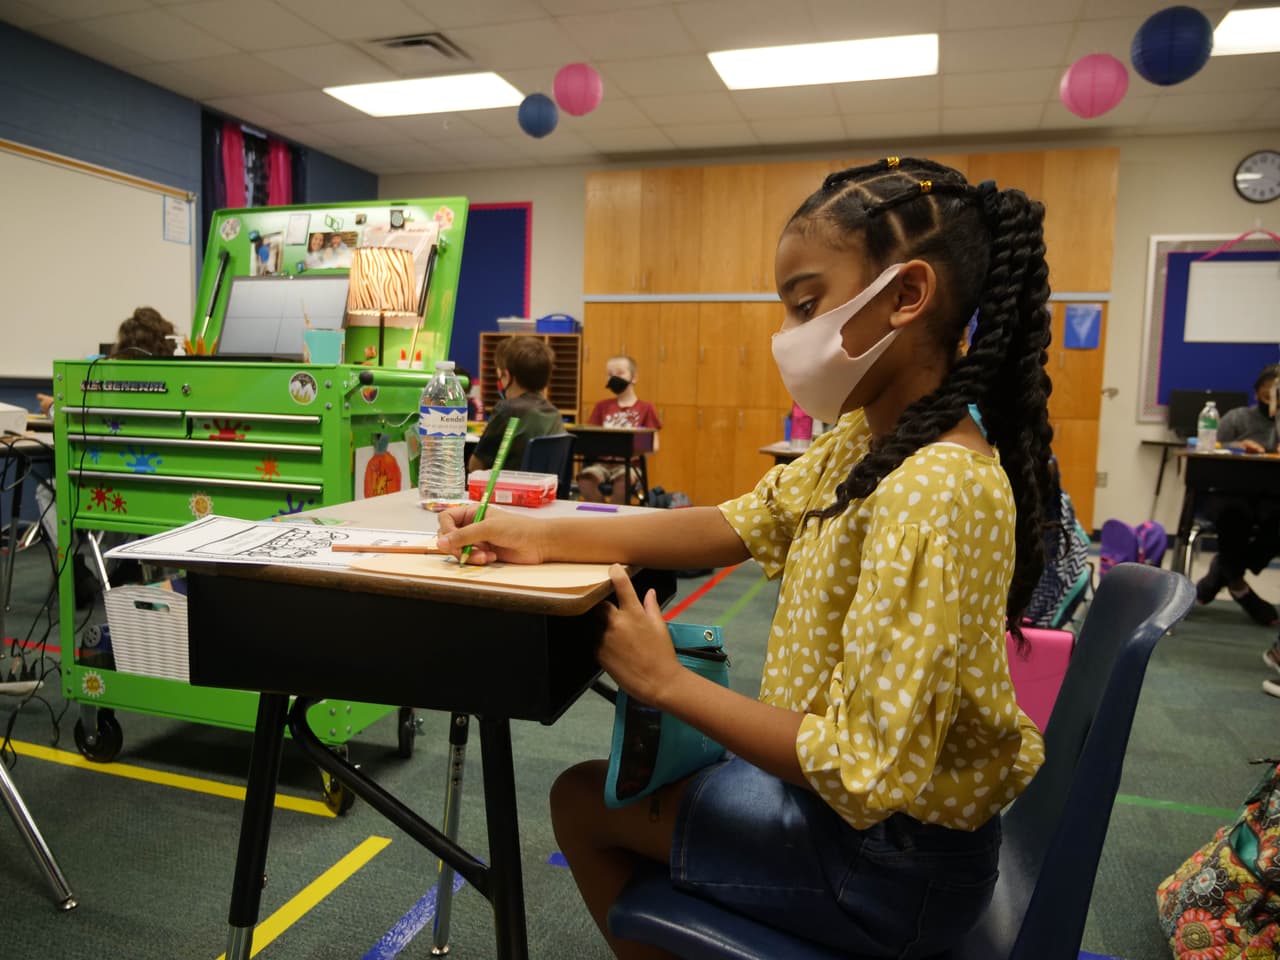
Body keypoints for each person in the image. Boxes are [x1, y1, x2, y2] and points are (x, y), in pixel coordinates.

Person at [436, 157, 1052, 958]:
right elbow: (728, 524)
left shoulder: (934, 488)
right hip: (871, 833)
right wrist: (539, 533)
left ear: (907, 295)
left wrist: (666, 684)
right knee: (626, 790)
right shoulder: (869, 445)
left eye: (806, 305)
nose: (791, 337)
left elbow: (863, 770)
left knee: (582, 802)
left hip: (891, 865)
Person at [33, 307, 176, 585]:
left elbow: (78, 420)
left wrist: (53, 407)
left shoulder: (111, 383)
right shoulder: (173, 384)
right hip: (164, 489)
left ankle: (73, 563)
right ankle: (119, 565)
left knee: (46, 489)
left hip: (117, 491)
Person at [1196, 364, 1280, 628]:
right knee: (1235, 518)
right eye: (1268, 395)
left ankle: (1220, 573)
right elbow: (1209, 447)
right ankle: (1237, 585)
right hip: (1230, 495)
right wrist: (1236, 447)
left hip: (1271, 499)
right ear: (1257, 394)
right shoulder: (1237, 418)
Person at [467, 337, 563, 473]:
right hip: (541, 490)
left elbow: (475, 466)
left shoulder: (507, 410)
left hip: (507, 490)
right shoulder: (553, 413)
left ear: (506, 376)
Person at [578, 356, 662, 504]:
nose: (614, 377)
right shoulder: (601, 406)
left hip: (628, 466)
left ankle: (614, 521)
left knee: (623, 485)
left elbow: (654, 445)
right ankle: (601, 517)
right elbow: (591, 439)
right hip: (600, 464)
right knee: (585, 481)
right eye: (610, 374)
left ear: (634, 378)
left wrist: (636, 451)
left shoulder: (646, 408)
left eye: (620, 373)